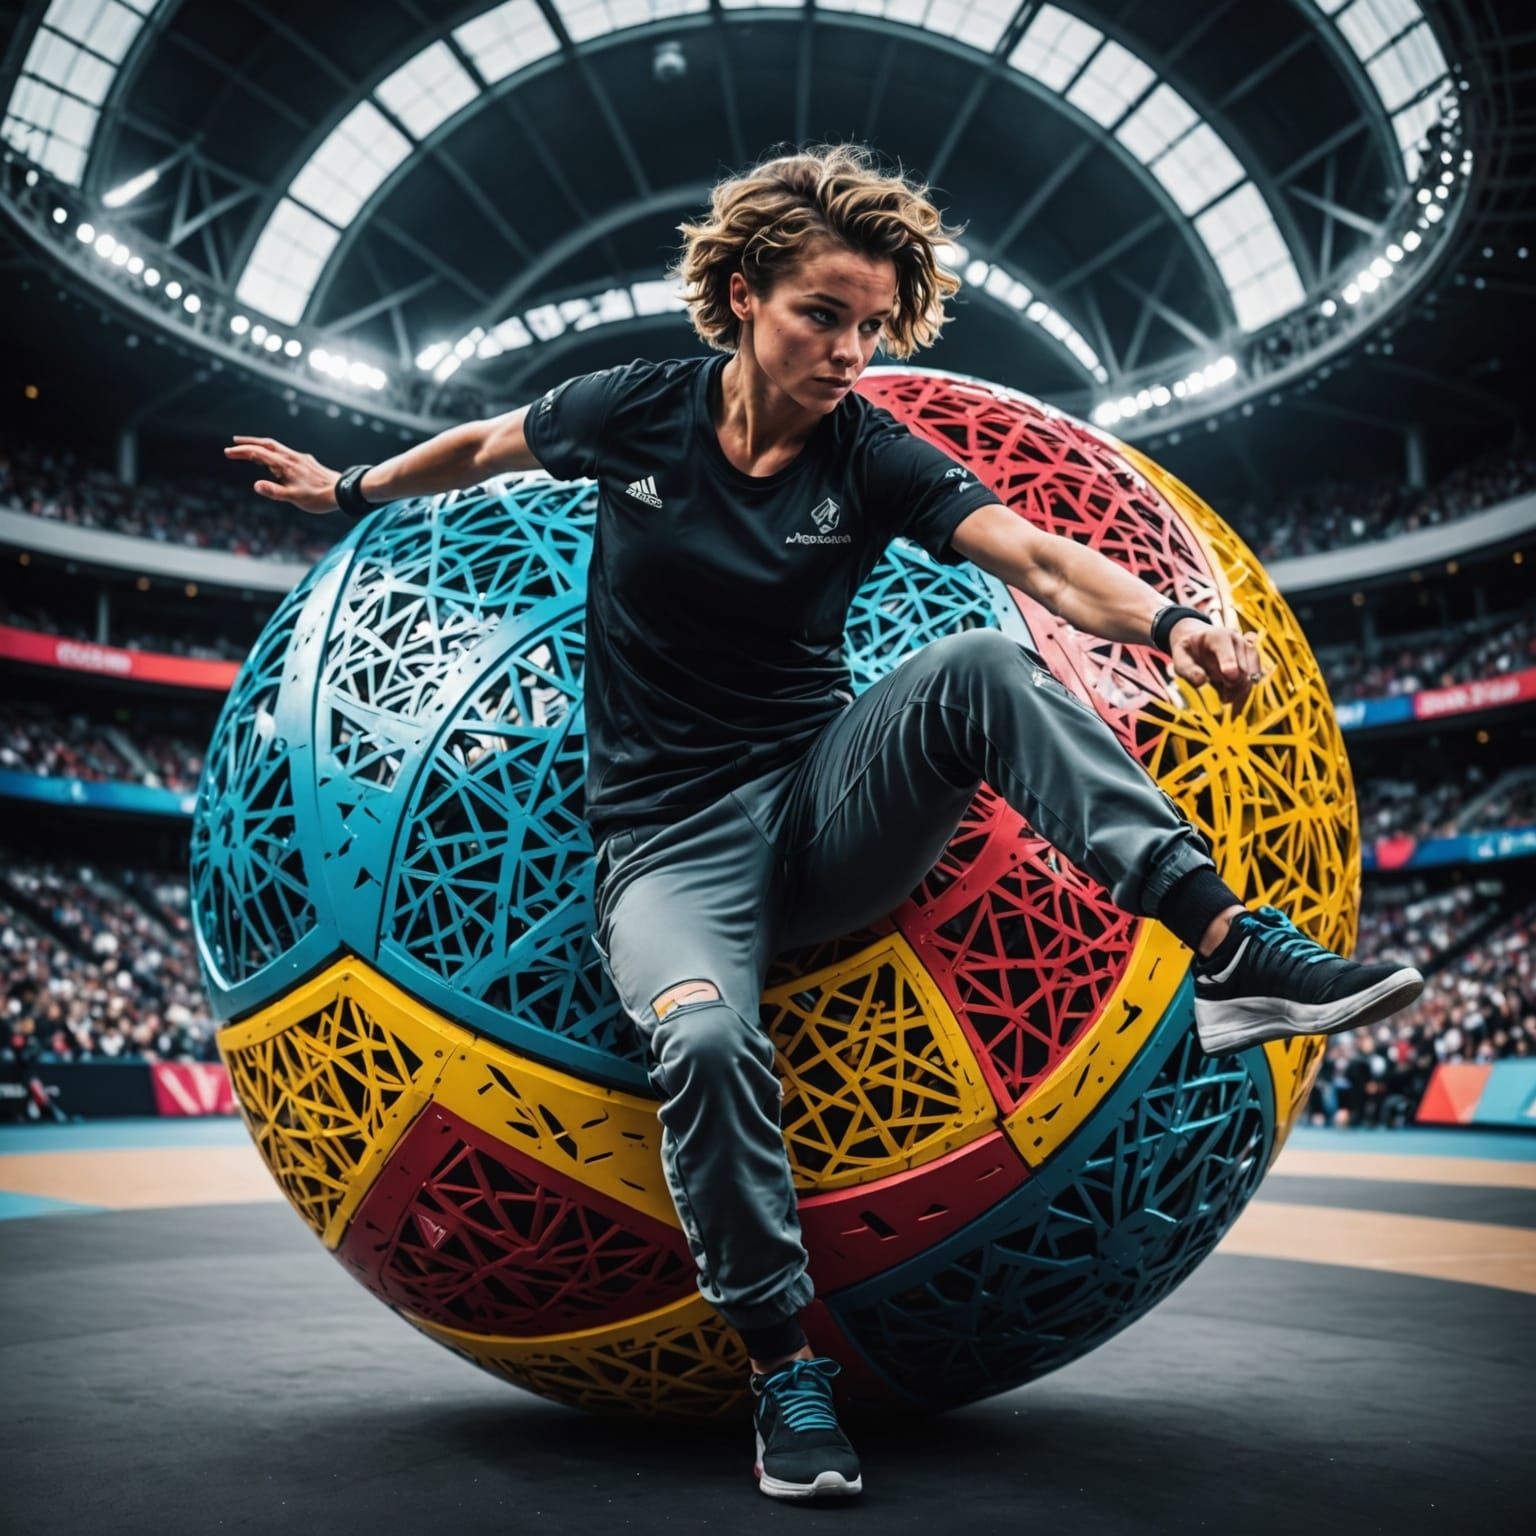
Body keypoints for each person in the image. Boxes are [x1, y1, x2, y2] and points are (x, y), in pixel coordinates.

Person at [227, 142, 1424, 1504]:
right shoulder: (638, 409)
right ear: (742, 295)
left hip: (822, 807)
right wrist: (349, 492)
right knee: (707, 1037)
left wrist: (1170, 620)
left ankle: (1225, 945)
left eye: (874, 326)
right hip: (667, 851)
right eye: (824, 316)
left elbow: (1032, 558)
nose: (852, 350)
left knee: (980, 664)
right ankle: (783, 1371)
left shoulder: (870, 452)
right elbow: (488, 448)